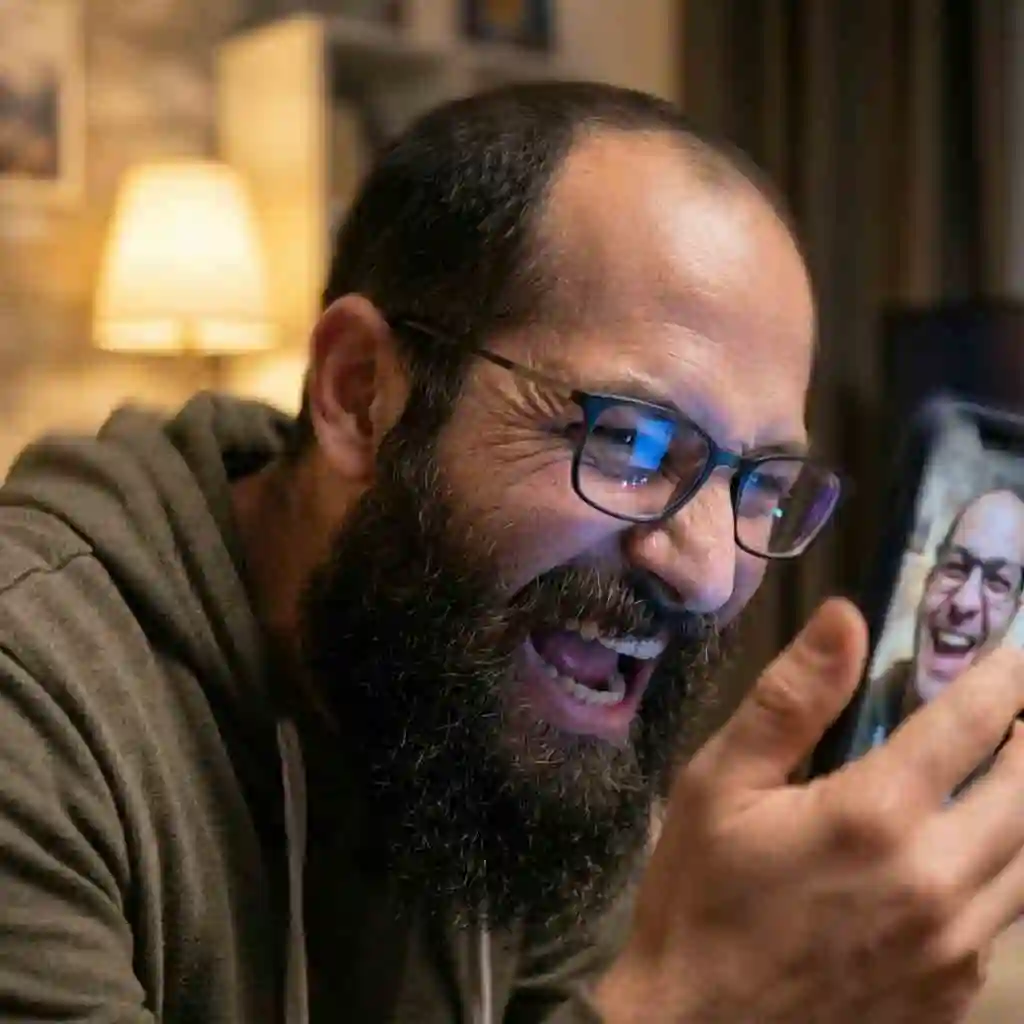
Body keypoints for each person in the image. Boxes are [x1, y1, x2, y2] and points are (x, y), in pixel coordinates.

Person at [0, 81, 1023, 1024]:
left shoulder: (521, 715)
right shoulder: (34, 705)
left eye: (757, 484)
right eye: (629, 439)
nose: (707, 570)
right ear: (362, 394)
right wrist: (693, 998)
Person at [856, 488, 1024, 753]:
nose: (964, 602)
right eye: (955, 567)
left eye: (996, 583)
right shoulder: (846, 714)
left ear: (1015, 610)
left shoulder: (1009, 774)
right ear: (930, 577)